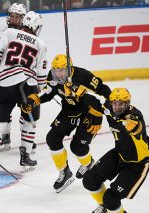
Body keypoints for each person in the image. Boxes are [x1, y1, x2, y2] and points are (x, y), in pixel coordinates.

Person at [0, 11, 47, 178]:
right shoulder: (41, 44)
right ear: (36, 27)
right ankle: (26, 157)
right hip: (28, 87)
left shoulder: (8, 32)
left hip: (6, 85)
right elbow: (42, 78)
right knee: (29, 121)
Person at [82, 88, 149, 213]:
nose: (117, 107)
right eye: (115, 103)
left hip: (137, 164)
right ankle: (106, 206)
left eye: (122, 104)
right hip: (119, 154)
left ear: (128, 104)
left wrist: (132, 126)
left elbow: (137, 126)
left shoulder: (134, 115)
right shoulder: (109, 107)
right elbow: (96, 102)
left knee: (111, 198)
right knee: (89, 180)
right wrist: (77, 92)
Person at [30, 54, 111, 193]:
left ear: (69, 69)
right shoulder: (52, 75)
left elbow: (105, 92)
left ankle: (88, 164)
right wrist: (37, 100)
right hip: (69, 111)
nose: (58, 74)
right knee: (52, 138)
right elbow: (50, 93)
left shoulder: (83, 76)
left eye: (62, 70)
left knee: (77, 147)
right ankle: (64, 172)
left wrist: (98, 115)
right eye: (56, 70)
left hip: (90, 113)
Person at [0, 2, 30, 151]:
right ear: (8, 16)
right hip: (4, 77)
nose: (15, 19)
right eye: (12, 16)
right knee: (2, 110)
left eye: (18, 16)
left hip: (23, 79)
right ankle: (5, 136)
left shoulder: (28, 32)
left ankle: (26, 139)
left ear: (23, 18)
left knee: (26, 108)